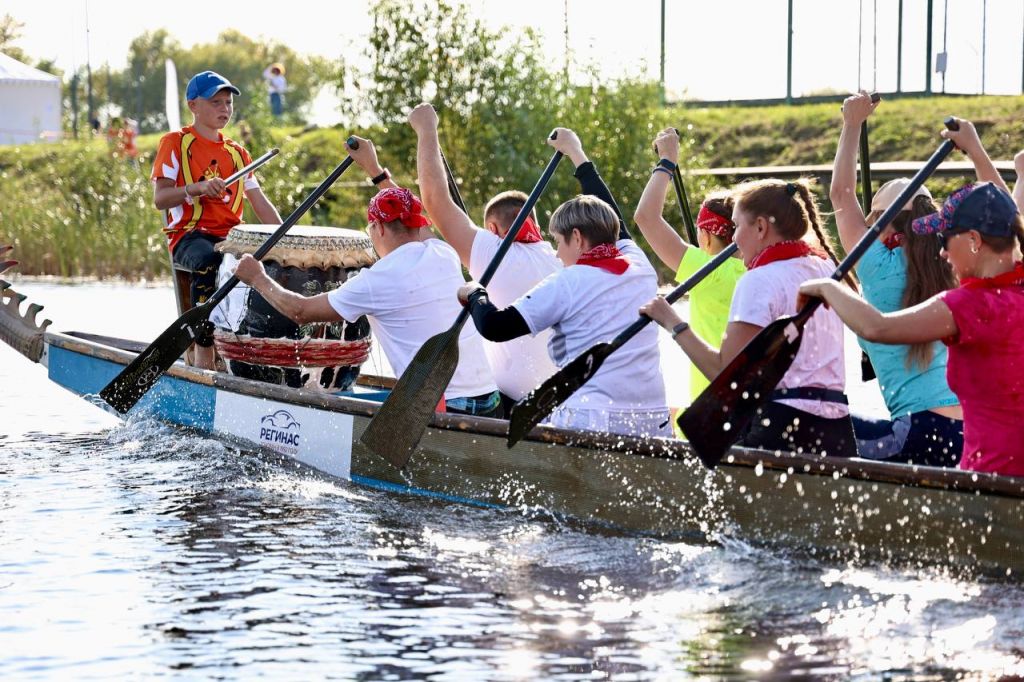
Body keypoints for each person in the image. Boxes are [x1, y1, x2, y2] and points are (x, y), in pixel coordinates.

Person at [234, 137, 501, 419]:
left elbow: (301, 311)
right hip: (490, 399)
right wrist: (374, 169)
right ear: (416, 225)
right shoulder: (442, 252)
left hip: (444, 407)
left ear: (378, 229)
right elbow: (409, 211)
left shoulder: (376, 280)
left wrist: (258, 278)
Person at [799, 180, 1024, 478]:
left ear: (974, 240)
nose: (942, 250)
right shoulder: (1010, 291)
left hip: (936, 440)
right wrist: (976, 150)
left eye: (947, 237)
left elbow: (875, 327)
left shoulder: (964, 302)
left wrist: (828, 287)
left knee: (798, 427)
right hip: (970, 440)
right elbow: (1009, 214)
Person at [457, 131, 670, 438]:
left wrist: (475, 292)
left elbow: (496, 327)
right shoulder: (640, 265)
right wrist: (576, 154)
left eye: (558, 241)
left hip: (594, 420)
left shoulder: (567, 282)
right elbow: (612, 214)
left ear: (578, 238)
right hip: (654, 418)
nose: (556, 252)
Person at [642, 177, 857, 457]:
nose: (733, 238)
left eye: (738, 225)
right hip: (837, 425)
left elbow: (725, 374)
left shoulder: (758, 279)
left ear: (760, 227)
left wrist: (672, 322)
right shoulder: (826, 265)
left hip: (781, 425)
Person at [830, 92, 963, 466]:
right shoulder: (952, 263)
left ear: (883, 222)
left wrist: (851, 123)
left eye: (872, 218)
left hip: (918, 430)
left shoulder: (874, 264)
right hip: (970, 432)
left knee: (807, 426)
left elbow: (841, 194)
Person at [407, 103, 562, 412]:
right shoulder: (561, 259)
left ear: (492, 229)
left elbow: (435, 201)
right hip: (559, 402)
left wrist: (427, 129)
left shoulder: (494, 253)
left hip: (512, 406)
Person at [152, 70, 282, 369]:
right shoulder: (175, 143)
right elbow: (161, 198)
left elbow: (260, 203)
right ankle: (203, 351)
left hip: (231, 239)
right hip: (190, 236)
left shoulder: (238, 153)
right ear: (193, 105)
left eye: (228, 103)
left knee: (277, 265)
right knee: (211, 259)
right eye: (216, 102)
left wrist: (285, 238)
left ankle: (256, 355)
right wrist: (195, 189)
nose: (224, 109)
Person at [633, 127, 746, 403]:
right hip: (750, 401)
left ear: (705, 237)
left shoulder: (708, 271)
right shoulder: (763, 269)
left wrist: (667, 162)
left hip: (711, 406)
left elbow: (646, 217)